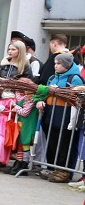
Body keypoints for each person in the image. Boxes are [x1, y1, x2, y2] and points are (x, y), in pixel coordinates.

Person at [37, 53, 84, 183]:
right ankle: (53, 167)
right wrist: (41, 100)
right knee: (52, 142)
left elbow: (77, 97)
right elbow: (44, 93)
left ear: (67, 65)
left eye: (59, 64)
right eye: (55, 63)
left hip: (65, 115)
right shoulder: (52, 77)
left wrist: (59, 92)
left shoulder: (75, 78)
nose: (55, 66)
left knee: (65, 143)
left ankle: (64, 171)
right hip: (51, 114)